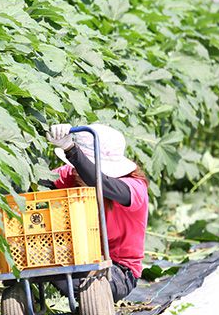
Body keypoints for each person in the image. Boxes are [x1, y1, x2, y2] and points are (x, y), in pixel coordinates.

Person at [45, 123, 148, 302]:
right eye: (75, 166)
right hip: (76, 259)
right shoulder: (72, 174)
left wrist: (71, 149)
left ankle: (94, 312)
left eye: (80, 167)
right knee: (45, 267)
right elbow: (34, 179)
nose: (76, 172)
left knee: (91, 288)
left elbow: (100, 182)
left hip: (119, 270)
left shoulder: (133, 188)